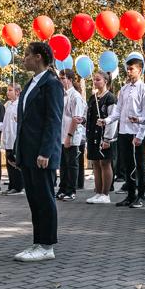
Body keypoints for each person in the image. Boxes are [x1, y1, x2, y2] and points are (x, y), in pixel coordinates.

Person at [14, 42, 64, 262]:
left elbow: (53, 120)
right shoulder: (30, 83)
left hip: (41, 153)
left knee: (44, 198)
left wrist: (46, 152)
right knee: (34, 199)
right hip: (28, 151)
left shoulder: (51, 84)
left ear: (38, 57)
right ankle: (38, 242)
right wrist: (19, 151)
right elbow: (24, 121)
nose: (23, 59)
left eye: (26, 55)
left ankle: (47, 245)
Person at [100, 57, 145, 208]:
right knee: (127, 163)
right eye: (127, 69)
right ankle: (130, 194)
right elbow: (118, 111)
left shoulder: (144, 89)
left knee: (139, 163)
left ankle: (141, 195)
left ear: (139, 70)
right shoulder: (124, 89)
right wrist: (107, 120)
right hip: (124, 131)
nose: (129, 72)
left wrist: (140, 135)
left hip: (136, 132)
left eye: (132, 69)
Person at [85, 71, 118, 204]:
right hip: (93, 134)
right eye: (94, 79)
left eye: (98, 79)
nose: (95, 82)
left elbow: (113, 118)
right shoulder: (93, 98)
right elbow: (89, 116)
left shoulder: (110, 98)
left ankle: (106, 194)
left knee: (105, 162)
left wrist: (107, 138)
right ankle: (98, 192)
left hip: (104, 135)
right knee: (96, 163)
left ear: (105, 81)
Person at [58, 69, 86, 202]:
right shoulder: (61, 95)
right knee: (63, 164)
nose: (61, 81)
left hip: (71, 135)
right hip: (61, 135)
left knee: (71, 164)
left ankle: (71, 190)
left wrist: (69, 136)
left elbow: (76, 118)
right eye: (60, 78)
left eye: (63, 78)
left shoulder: (75, 96)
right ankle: (62, 188)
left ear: (70, 79)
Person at [0, 83, 23, 195]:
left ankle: (18, 186)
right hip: (8, 139)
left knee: (15, 163)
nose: (8, 93)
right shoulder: (8, 105)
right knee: (9, 163)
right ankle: (12, 184)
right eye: (7, 90)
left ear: (17, 92)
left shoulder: (20, 105)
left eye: (10, 90)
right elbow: (6, 123)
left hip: (15, 138)